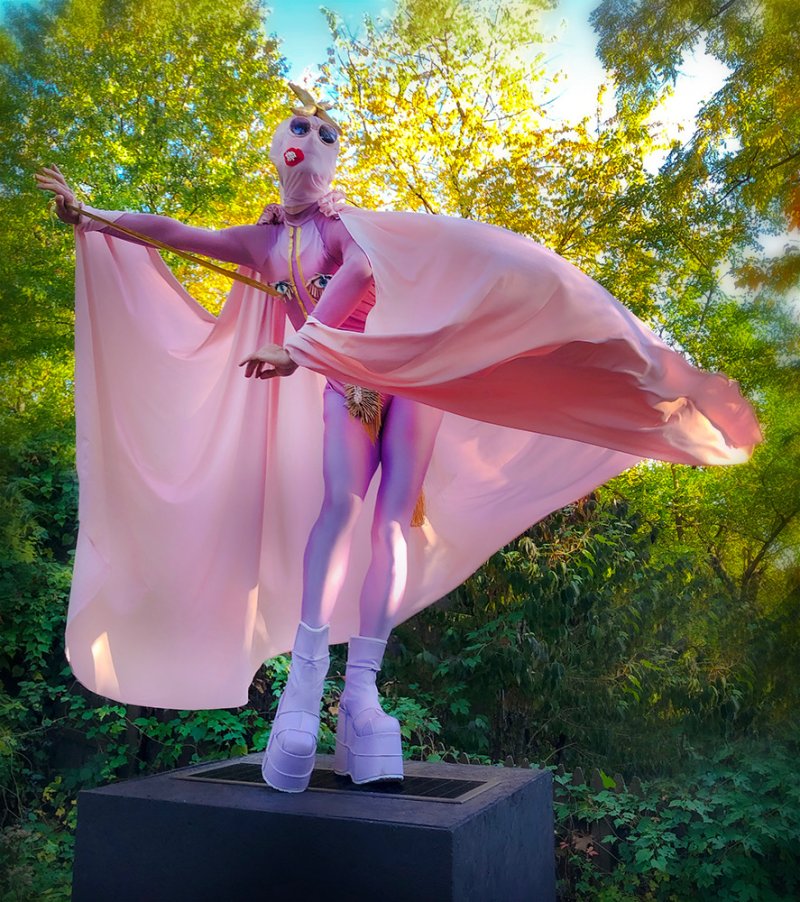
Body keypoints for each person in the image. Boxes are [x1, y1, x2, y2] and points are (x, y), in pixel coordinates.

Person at [36, 84, 762, 794]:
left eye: (326, 135)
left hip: (406, 378)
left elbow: (357, 272)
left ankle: (362, 694)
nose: (311, 142)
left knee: (392, 523)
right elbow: (174, 232)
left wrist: (306, 346)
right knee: (342, 508)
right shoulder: (260, 243)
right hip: (345, 386)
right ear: (277, 149)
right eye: (299, 130)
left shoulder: (348, 228)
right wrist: (95, 214)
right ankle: (305, 690)